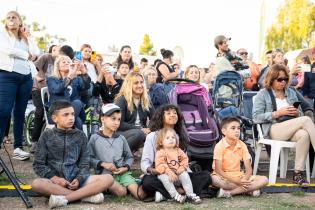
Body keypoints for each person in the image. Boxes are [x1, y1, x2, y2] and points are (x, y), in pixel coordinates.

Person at [31, 100, 114, 209]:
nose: (71, 118)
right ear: (54, 118)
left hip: (78, 182)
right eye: (66, 115)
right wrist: (55, 178)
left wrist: (79, 179)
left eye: (72, 114)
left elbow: (85, 163)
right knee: (36, 184)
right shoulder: (47, 135)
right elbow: (38, 165)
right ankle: (84, 197)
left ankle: (65, 198)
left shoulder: (80, 136)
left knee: (108, 178)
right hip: (55, 184)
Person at [252, 64, 315, 185]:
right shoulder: (263, 94)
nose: (283, 82)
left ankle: (297, 174)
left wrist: (297, 113)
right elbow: (255, 117)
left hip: (291, 126)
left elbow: (302, 111)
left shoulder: (291, 92)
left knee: (304, 134)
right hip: (274, 127)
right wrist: (276, 113)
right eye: (279, 79)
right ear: (271, 79)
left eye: (285, 79)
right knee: (306, 120)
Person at [141, 104, 212, 202]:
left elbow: (183, 160)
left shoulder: (179, 136)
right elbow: (145, 163)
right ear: (161, 117)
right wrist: (155, 171)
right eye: (168, 113)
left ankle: (166, 195)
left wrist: (183, 171)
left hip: (179, 174)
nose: (173, 115)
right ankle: (180, 192)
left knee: (206, 176)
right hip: (161, 174)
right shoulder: (152, 136)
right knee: (147, 182)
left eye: (175, 113)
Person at [0, 11, 40, 160]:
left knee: (19, 113)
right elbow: (7, 50)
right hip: (7, 76)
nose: (11, 20)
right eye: (8, 18)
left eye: (14, 17)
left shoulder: (24, 38)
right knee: (4, 110)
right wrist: (26, 55)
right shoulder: (2, 34)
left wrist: (29, 36)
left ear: (19, 21)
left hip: (26, 77)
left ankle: (18, 147)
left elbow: (36, 53)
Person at [88, 103, 146, 200]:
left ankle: (133, 183)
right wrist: (102, 164)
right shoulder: (94, 138)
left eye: (119, 119)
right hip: (106, 175)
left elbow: (129, 157)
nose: (116, 122)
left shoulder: (121, 138)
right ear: (102, 119)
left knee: (140, 195)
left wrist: (126, 167)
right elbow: (88, 158)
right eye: (113, 118)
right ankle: (117, 186)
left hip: (122, 173)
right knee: (121, 192)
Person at [211, 117, 268, 198]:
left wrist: (244, 180)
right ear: (223, 131)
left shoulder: (242, 145)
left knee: (264, 180)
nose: (237, 131)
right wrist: (237, 181)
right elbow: (218, 170)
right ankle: (250, 189)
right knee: (213, 180)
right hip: (223, 177)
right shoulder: (219, 146)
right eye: (233, 128)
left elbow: (248, 170)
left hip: (239, 176)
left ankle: (230, 193)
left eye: (238, 128)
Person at [155, 128, 202, 204]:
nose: (171, 139)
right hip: (166, 175)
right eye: (167, 138)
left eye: (173, 137)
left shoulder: (178, 150)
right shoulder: (160, 152)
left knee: (185, 174)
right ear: (161, 142)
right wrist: (169, 172)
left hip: (177, 174)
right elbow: (160, 165)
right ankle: (175, 195)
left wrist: (182, 167)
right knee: (164, 177)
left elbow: (185, 159)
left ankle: (190, 194)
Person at [47, 55, 91, 130]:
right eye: (63, 62)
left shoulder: (76, 78)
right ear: (58, 66)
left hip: (76, 111)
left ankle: (63, 136)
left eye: (68, 62)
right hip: (57, 114)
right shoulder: (51, 79)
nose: (66, 63)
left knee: (77, 103)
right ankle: (77, 141)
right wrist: (69, 77)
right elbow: (57, 90)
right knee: (77, 122)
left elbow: (86, 87)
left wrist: (84, 72)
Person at [30, 44, 60, 153]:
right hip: (38, 88)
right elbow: (33, 67)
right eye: (56, 49)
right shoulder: (46, 57)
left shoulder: (61, 61)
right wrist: (38, 77)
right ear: (52, 51)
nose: (59, 52)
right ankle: (34, 141)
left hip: (52, 91)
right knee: (40, 111)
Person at [115, 72, 154, 151]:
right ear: (129, 85)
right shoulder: (122, 100)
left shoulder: (146, 99)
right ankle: (120, 154)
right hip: (123, 133)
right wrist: (140, 128)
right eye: (136, 83)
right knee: (139, 134)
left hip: (141, 132)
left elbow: (155, 118)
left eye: (141, 82)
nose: (140, 85)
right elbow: (119, 124)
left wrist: (149, 129)